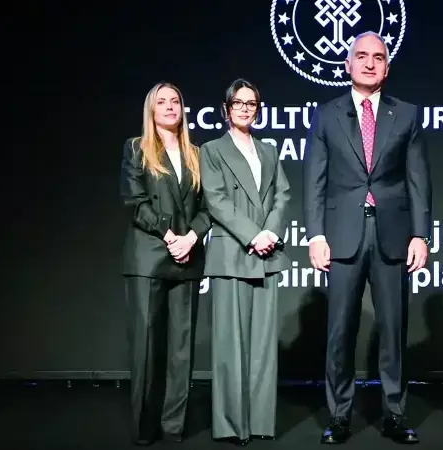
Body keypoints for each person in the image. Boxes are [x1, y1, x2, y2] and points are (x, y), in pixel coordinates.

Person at [302, 31, 432, 445]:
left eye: (378, 57)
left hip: (393, 235)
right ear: (348, 64)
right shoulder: (326, 115)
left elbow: (418, 180)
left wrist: (421, 235)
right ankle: (339, 416)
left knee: (393, 330)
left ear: (387, 67)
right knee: (340, 331)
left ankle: (395, 414)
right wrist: (315, 235)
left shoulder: (406, 114)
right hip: (342, 235)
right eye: (362, 56)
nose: (370, 63)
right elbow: (314, 181)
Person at [199, 78, 291, 446]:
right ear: (226, 109)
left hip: (267, 254)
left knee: (264, 347)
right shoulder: (212, 150)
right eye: (238, 103)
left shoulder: (268, 150)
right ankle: (230, 425)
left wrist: (270, 232)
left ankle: (260, 422)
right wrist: (254, 235)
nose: (244, 109)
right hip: (233, 253)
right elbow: (216, 200)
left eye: (251, 104)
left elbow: (283, 195)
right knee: (230, 345)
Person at [119, 81, 211, 446]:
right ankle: (145, 428)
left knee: (181, 349)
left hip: (187, 258)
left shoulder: (197, 154)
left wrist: (192, 238)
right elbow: (135, 202)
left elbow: (208, 207)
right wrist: (171, 236)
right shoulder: (136, 148)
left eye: (176, 101)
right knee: (147, 348)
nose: (171, 106)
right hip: (150, 258)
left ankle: (174, 427)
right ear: (151, 109)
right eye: (163, 101)